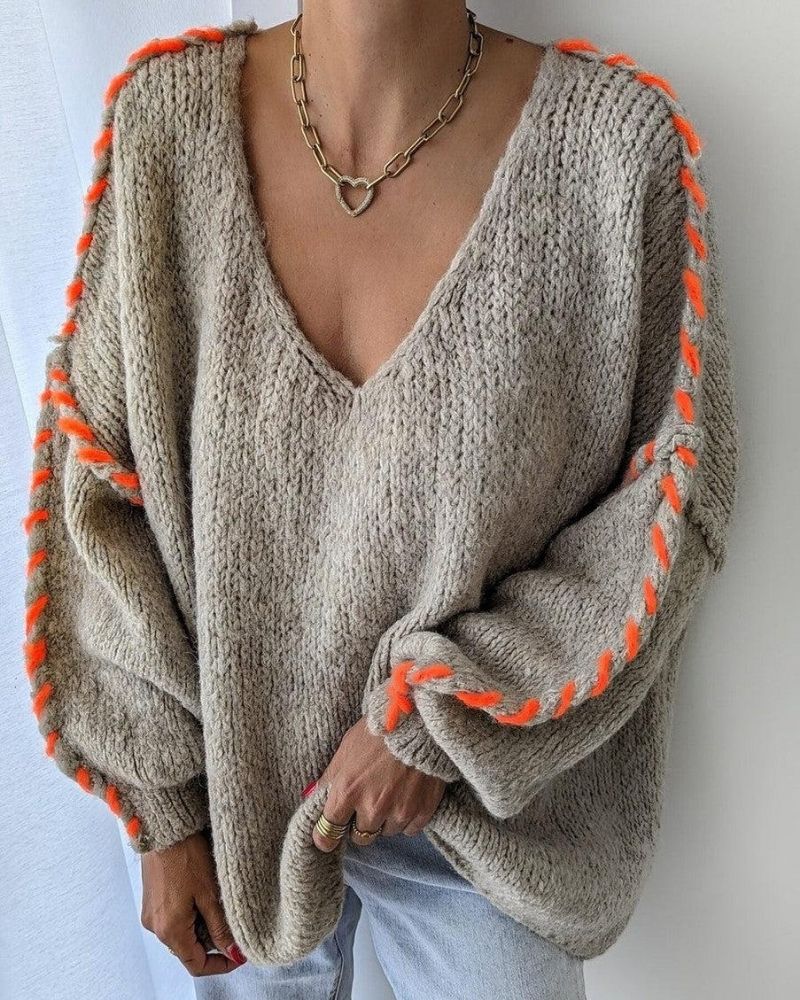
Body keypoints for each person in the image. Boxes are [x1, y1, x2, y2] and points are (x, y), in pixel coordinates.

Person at [20, 4, 738, 999]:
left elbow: (672, 497)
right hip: (232, 827)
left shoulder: (612, 151)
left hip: (484, 832)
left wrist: (439, 718)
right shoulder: (170, 125)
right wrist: (163, 806)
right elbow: (98, 477)